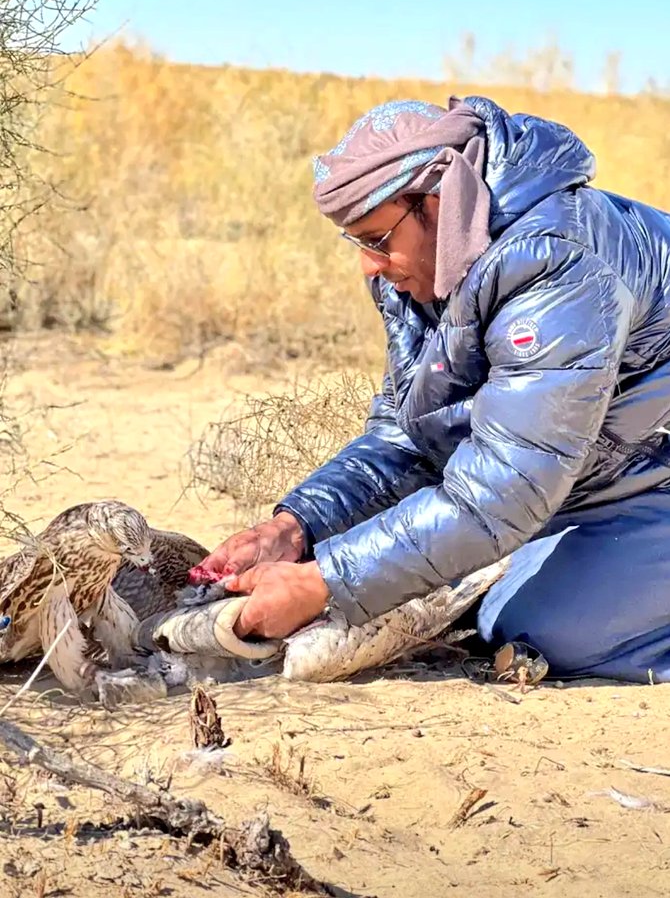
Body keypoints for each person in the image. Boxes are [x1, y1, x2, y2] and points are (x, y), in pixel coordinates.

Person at [190, 95, 670, 683]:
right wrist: (296, 529)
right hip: (612, 479)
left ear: (440, 201)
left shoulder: (558, 269)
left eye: (375, 238)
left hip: (649, 477)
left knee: (549, 631)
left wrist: (323, 584)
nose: (368, 266)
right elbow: (408, 435)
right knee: (473, 602)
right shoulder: (424, 266)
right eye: (355, 242)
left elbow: (504, 492)